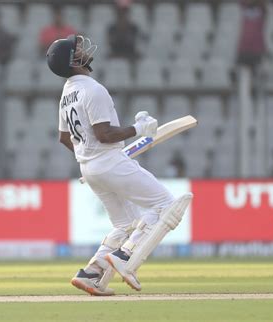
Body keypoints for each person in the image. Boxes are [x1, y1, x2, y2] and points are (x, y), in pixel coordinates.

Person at [46, 34, 192, 296]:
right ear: (72, 60)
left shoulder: (66, 93)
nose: (83, 48)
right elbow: (103, 134)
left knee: (125, 224)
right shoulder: (93, 89)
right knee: (166, 205)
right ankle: (127, 255)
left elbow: (64, 137)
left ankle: (91, 272)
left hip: (89, 168)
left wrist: (87, 156)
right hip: (110, 162)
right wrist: (138, 129)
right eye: (77, 48)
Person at [236, 0, 267, 72]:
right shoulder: (244, 9)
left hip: (257, 47)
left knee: (255, 70)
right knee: (244, 70)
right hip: (244, 46)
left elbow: (264, 4)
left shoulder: (261, 10)